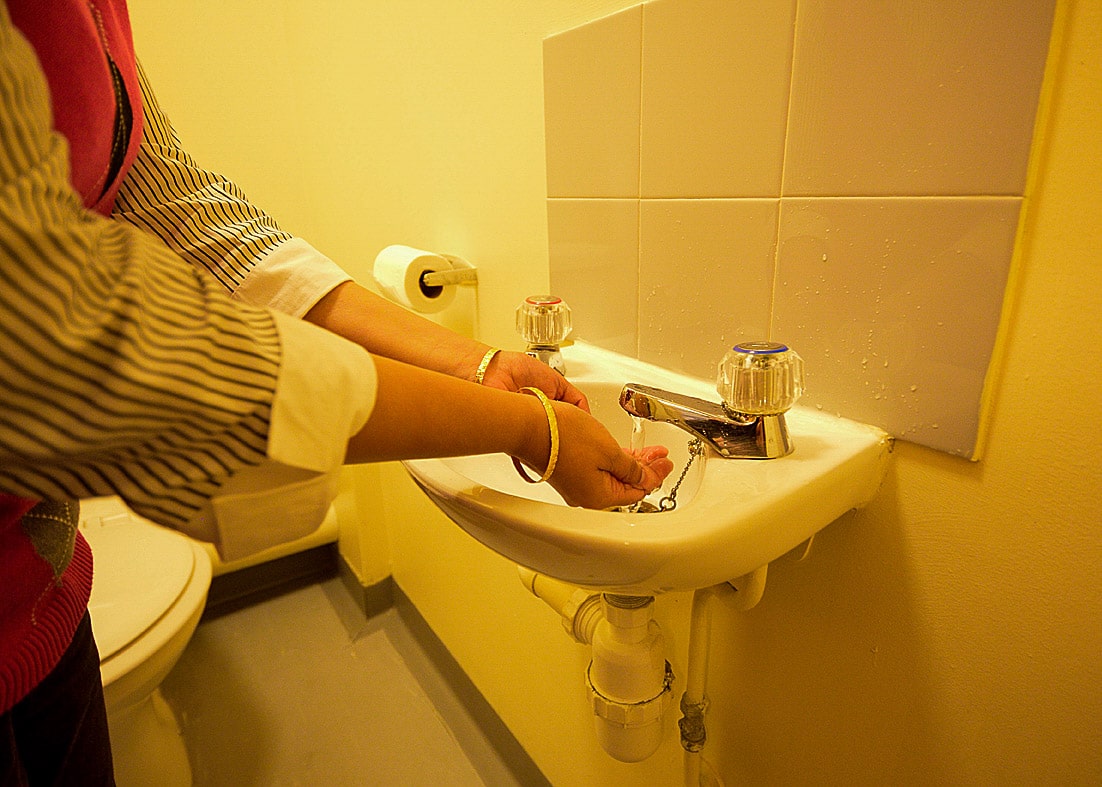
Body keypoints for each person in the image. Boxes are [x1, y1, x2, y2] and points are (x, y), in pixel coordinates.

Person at [0, 1, 673, 783]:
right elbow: (56, 319)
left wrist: (477, 361)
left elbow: (181, 210)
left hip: (43, 585)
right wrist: (531, 430)